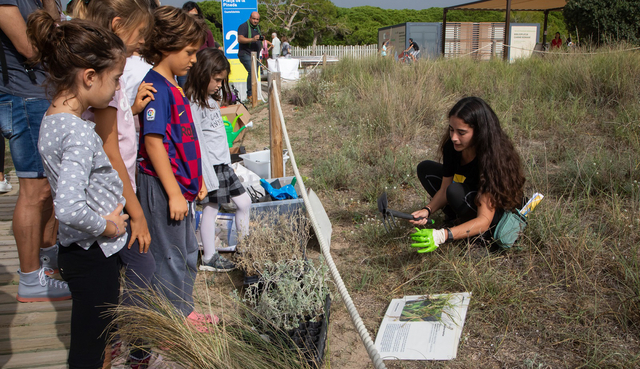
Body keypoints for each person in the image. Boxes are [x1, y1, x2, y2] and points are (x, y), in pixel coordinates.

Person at [27, 11, 130, 368]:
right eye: (115, 79)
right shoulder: (79, 132)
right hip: (93, 254)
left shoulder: (53, 119)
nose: (118, 87)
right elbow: (69, 207)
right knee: (90, 346)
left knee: (92, 338)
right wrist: (110, 226)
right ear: (89, 77)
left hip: (80, 251)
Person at [70, 0, 157, 365]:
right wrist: (136, 212)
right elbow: (111, 153)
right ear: (118, 25)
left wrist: (132, 110)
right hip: (115, 199)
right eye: (139, 35)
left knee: (129, 273)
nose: (142, 44)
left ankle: (125, 345)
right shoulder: (106, 81)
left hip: (115, 195)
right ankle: (132, 346)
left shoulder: (108, 79)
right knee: (142, 268)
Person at [138, 6, 216, 331]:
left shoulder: (175, 85)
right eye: (188, 52)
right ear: (166, 47)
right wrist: (172, 193)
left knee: (186, 252)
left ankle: (184, 309)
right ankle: (171, 322)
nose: (194, 60)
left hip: (181, 187)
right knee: (168, 257)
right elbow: (154, 143)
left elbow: (181, 139)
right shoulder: (156, 87)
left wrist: (193, 182)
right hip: (161, 187)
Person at [0, 0, 70, 302]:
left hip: (44, 93)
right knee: (34, 189)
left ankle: (47, 258)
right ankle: (30, 279)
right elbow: (28, 48)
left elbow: (56, 25)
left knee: (50, 186)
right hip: (23, 98)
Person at [410, 97, 525, 250]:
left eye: (461, 132)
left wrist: (442, 235)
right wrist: (427, 210)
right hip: (469, 193)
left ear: (479, 132)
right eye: (451, 129)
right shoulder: (452, 147)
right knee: (426, 169)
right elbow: (444, 189)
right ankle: (458, 220)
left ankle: (480, 239)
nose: (454, 137)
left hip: (492, 214)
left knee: (455, 191)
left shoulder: (491, 159)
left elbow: (484, 220)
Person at [184, 48, 251, 272]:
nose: (219, 85)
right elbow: (197, 140)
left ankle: (245, 247)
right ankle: (209, 257)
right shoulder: (194, 103)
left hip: (223, 164)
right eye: (216, 80)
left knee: (244, 202)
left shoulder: (210, 101)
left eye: (222, 81)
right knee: (211, 209)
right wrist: (203, 173)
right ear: (203, 74)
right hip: (210, 166)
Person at [178, 1, 217, 87]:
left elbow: (212, 51)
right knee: (184, 91)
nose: (193, 19)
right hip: (184, 66)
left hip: (202, 67)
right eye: (189, 16)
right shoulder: (180, 33)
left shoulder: (206, 32)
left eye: (195, 16)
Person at [237, 11, 262, 100]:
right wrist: (252, 39)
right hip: (245, 53)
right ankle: (250, 95)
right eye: (254, 19)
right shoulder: (243, 26)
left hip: (256, 55)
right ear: (250, 18)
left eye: (257, 19)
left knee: (255, 74)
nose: (255, 21)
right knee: (252, 71)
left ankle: (254, 95)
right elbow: (240, 39)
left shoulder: (258, 27)